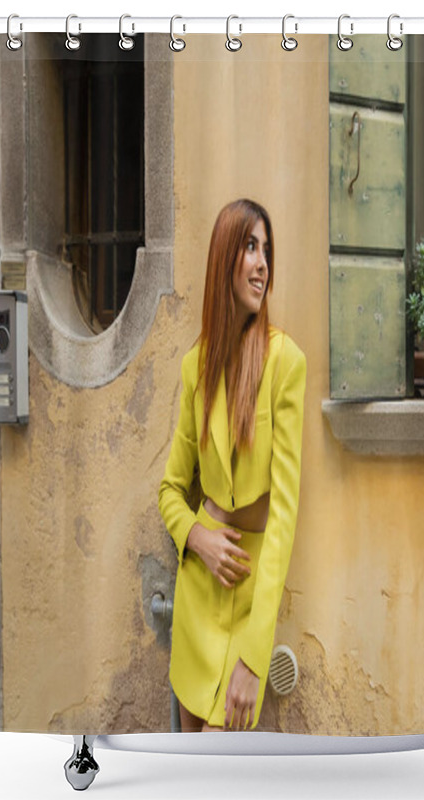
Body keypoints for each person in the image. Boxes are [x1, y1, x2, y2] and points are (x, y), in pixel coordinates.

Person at [158, 198, 306, 732]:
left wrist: (254, 653)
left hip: (250, 600)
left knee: (219, 773)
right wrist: (197, 537)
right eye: (249, 246)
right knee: (187, 777)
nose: (262, 262)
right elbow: (171, 490)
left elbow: (284, 517)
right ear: (225, 258)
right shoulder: (194, 367)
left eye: (267, 249)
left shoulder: (285, 363)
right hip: (199, 594)